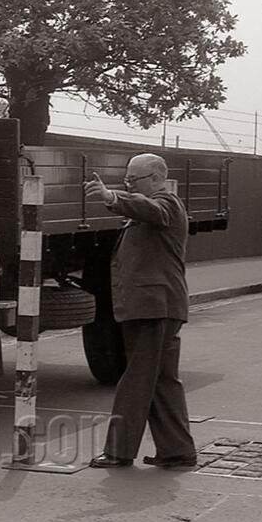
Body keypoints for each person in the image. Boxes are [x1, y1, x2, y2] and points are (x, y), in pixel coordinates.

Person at [82, 153, 197, 469]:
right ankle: (178, 450)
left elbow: (151, 209)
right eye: (127, 180)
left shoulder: (167, 204)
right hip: (155, 307)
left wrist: (112, 197)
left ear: (157, 178)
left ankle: (119, 451)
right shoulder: (152, 208)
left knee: (136, 379)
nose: (129, 184)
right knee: (161, 381)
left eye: (134, 180)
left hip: (154, 308)